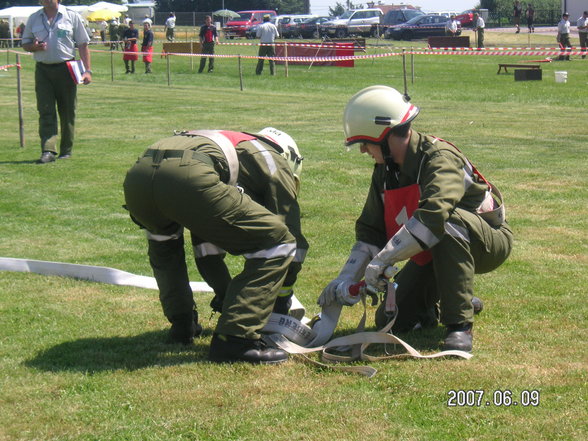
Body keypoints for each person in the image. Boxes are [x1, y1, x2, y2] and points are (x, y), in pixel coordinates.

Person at [319, 86, 512, 353]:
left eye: (365, 142)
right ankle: (449, 299)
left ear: (384, 135)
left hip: (487, 241)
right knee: (392, 319)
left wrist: (385, 259)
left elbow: (435, 215)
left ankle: (459, 325)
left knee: (449, 221)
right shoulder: (385, 171)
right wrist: (343, 280)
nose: (363, 150)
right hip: (434, 245)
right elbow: (370, 231)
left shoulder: (439, 158)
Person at [123, 128, 305, 364]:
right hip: (187, 175)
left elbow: (207, 252)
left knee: (164, 247)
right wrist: (280, 299)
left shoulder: (223, 146)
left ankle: (182, 326)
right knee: (280, 243)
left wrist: (226, 294)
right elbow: (289, 233)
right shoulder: (271, 156)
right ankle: (235, 342)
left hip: (139, 177)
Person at [22, 0, 92, 164]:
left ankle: (66, 150)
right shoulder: (34, 18)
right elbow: (25, 43)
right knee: (45, 109)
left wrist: (87, 71)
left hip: (66, 68)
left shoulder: (71, 16)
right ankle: (48, 150)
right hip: (43, 70)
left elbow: (82, 44)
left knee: (67, 110)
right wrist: (34, 46)